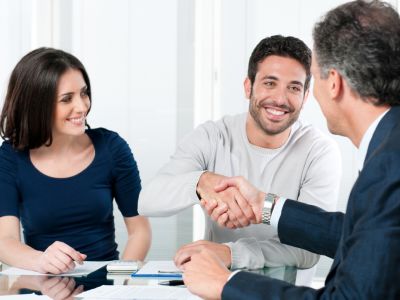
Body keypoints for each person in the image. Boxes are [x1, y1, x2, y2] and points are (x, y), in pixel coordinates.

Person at [182, 0, 400, 299]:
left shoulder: (389, 166)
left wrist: (226, 284)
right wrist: (265, 205)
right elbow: (362, 236)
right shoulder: (390, 145)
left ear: (333, 82)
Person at [138, 35, 341, 271]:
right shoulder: (213, 136)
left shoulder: (319, 151)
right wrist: (201, 183)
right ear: (248, 87)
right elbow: (147, 201)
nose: (279, 99)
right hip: (216, 289)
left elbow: (308, 250)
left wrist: (232, 253)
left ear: (305, 97)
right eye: (269, 83)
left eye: (294, 87)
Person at [0, 48, 151, 275]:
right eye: (66, 99)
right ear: (37, 105)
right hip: (40, 282)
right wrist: (41, 261)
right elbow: (5, 240)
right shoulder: (11, 157)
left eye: (83, 93)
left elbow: (140, 231)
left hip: (107, 283)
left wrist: (119, 281)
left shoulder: (112, 147)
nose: (82, 107)